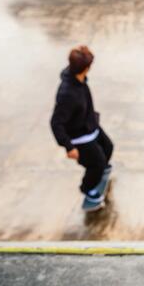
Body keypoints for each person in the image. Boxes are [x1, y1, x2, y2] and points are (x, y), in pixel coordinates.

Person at [50, 46, 114, 212]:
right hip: (80, 137)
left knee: (108, 147)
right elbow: (56, 122)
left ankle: (101, 169)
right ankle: (87, 189)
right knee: (96, 165)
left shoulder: (79, 78)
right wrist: (69, 146)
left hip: (91, 125)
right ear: (86, 67)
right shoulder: (67, 94)